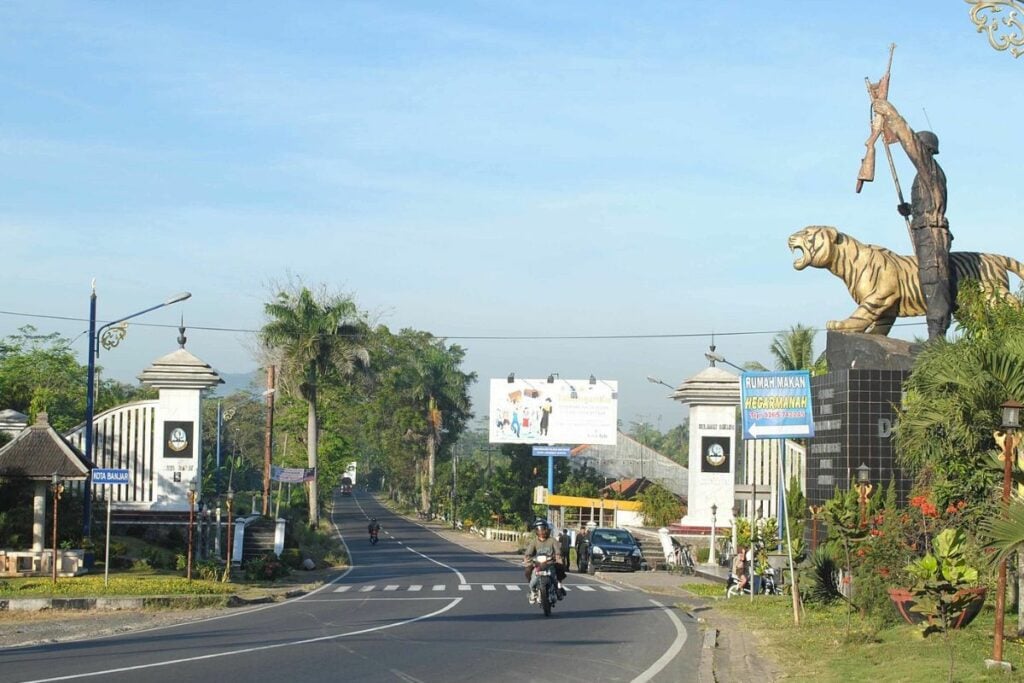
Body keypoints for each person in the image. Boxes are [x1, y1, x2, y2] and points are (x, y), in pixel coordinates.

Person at [871, 98, 952, 341]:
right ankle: (934, 335)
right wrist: (910, 209)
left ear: (925, 149)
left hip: (932, 233)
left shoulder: (930, 168)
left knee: (933, 281)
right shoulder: (926, 176)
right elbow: (929, 202)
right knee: (926, 282)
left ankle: (936, 338)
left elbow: (910, 142)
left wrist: (890, 113)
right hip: (924, 231)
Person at [523, 519, 565, 604]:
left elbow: (557, 550)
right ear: (536, 531)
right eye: (538, 529)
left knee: (560, 567)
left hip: (550, 563)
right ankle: (533, 591)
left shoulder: (552, 540)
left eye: (542, 529)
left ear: (546, 529)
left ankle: (559, 586)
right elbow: (529, 552)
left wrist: (557, 555)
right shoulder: (534, 541)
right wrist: (528, 557)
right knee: (527, 571)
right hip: (538, 564)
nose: (541, 531)